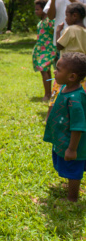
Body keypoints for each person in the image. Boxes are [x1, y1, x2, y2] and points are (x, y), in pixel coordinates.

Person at [43, 52, 86, 202]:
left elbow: (78, 126)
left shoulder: (75, 99)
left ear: (72, 77)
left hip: (74, 143)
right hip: (64, 139)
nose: (54, 71)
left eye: (58, 69)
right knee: (71, 166)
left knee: (74, 169)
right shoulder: (65, 89)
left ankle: (72, 197)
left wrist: (72, 149)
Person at [32, 0, 57, 102]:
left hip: (49, 49)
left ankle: (47, 94)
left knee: (43, 70)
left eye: (38, 9)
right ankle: (49, 92)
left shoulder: (50, 20)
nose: (36, 11)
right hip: (41, 49)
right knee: (45, 70)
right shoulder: (42, 21)